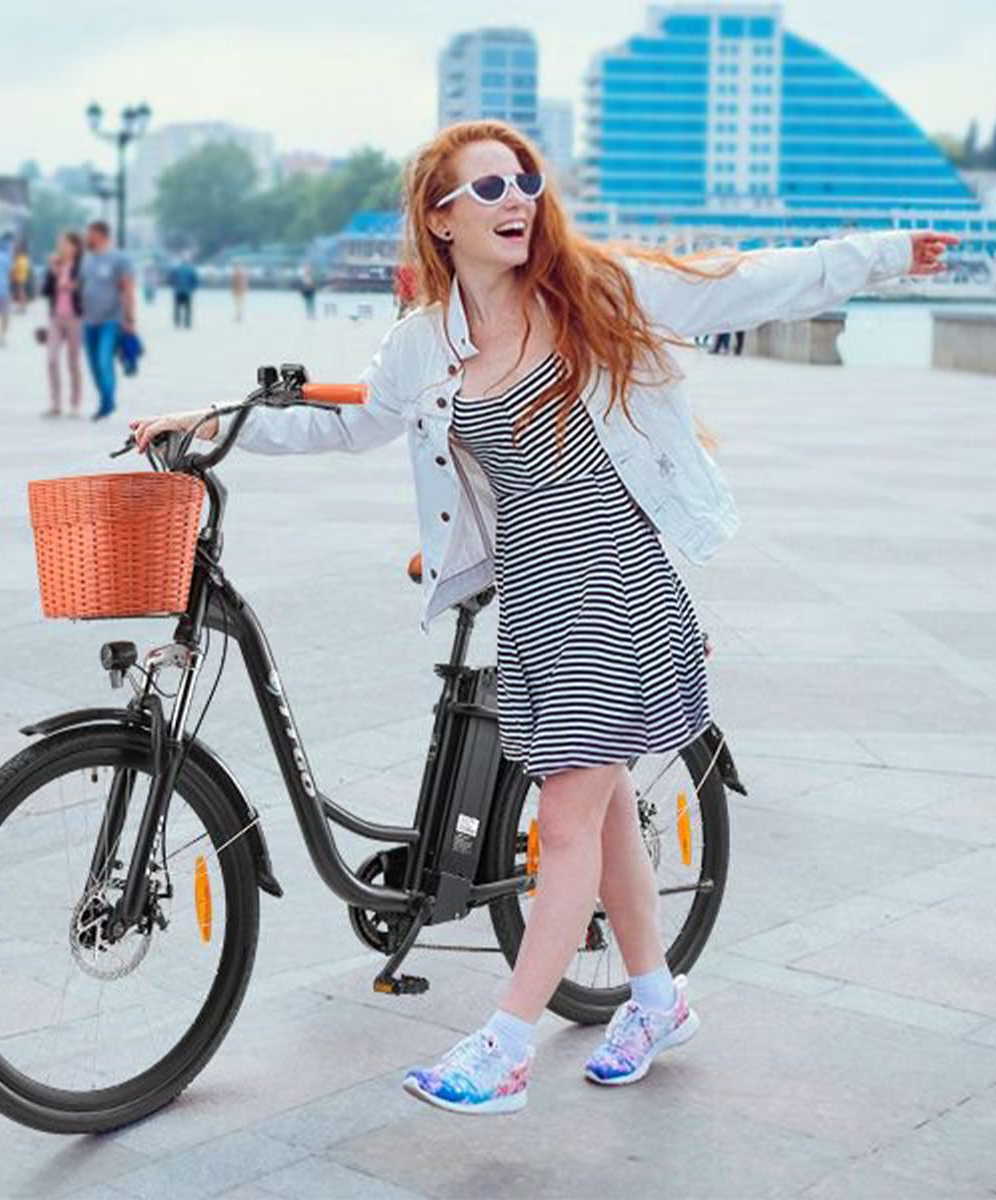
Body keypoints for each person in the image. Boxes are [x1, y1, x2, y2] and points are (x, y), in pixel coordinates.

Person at [128, 120, 953, 1116]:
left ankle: (506, 1045)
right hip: (535, 602)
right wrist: (216, 424)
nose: (516, 198)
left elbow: (740, 284)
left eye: (523, 180)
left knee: (562, 822)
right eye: (488, 188)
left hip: (618, 586)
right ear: (441, 221)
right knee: (601, 816)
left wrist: (886, 255)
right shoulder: (425, 342)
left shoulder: (593, 291)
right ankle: (657, 1000)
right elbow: (355, 421)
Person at [79, 220, 135, 420]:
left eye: (90, 233)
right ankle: (105, 398)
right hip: (89, 320)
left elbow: (128, 289)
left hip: (111, 319)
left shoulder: (119, 259)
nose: (87, 237)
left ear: (101, 235)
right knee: (93, 364)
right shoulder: (87, 260)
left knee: (104, 361)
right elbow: (83, 286)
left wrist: (129, 318)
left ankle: (107, 402)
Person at [40, 230, 84, 418]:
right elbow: (44, 291)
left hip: (75, 318)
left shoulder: (82, 267)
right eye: (60, 243)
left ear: (75, 246)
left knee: (73, 362)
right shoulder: (56, 265)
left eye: (66, 243)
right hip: (56, 318)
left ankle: (74, 403)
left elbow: (88, 290)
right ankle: (55, 403)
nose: (62, 247)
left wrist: (74, 287)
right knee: (52, 360)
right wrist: (53, 272)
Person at [169, 255, 198, 329]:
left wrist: (173, 286)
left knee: (177, 307)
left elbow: (171, 279)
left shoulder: (177, 269)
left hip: (178, 291)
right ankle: (187, 322)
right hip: (187, 292)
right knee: (187, 308)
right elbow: (195, 280)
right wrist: (193, 288)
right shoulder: (191, 269)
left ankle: (177, 322)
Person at [11, 243, 31, 313]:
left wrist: (12, 275)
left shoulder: (20, 259)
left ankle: (21, 308)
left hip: (20, 278)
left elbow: (15, 268)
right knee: (22, 293)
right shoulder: (25, 258)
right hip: (22, 278)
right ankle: (22, 307)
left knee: (21, 294)